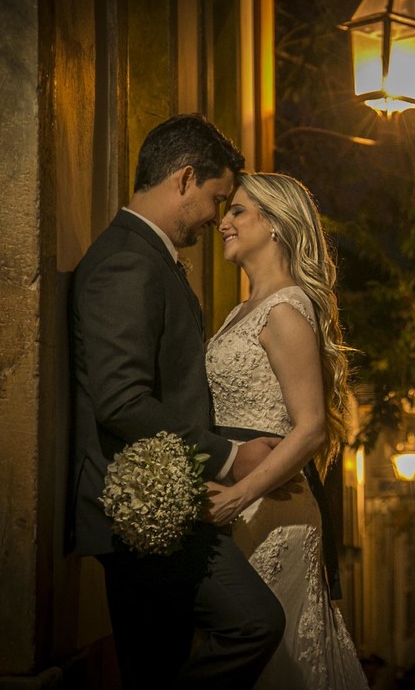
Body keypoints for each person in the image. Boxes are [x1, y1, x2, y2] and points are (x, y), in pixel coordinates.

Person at [70, 113, 286, 689]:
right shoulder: (127, 261)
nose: (218, 217)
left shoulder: (146, 256)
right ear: (185, 179)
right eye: (218, 198)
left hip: (159, 506)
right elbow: (120, 400)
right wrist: (231, 457)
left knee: (156, 669)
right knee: (254, 622)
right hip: (143, 510)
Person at [203, 171, 369, 689]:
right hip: (241, 506)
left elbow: (312, 428)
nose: (223, 223)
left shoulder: (285, 310)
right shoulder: (242, 310)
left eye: (238, 212)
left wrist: (236, 498)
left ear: (275, 225)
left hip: (274, 514)